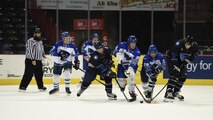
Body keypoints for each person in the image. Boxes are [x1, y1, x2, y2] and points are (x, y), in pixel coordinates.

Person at [164, 35, 199, 102]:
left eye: (188, 45)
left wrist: (188, 60)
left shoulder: (195, 47)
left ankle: (175, 92)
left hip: (182, 61)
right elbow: (172, 54)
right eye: (186, 44)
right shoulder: (179, 44)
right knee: (175, 74)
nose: (187, 46)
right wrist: (176, 65)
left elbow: (194, 55)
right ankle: (169, 92)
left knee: (183, 76)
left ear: (192, 44)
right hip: (171, 58)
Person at [113, 35, 141, 101]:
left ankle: (132, 92)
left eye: (134, 43)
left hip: (131, 65)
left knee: (131, 76)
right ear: (129, 43)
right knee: (121, 83)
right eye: (132, 43)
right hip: (121, 65)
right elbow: (115, 52)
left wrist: (130, 69)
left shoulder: (137, 51)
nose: (133, 45)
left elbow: (135, 62)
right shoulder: (122, 45)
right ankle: (123, 85)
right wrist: (119, 58)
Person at [19, 27, 47, 92]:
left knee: (39, 74)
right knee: (28, 74)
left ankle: (40, 87)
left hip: (39, 60)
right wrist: (33, 59)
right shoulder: (30, 41)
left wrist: (43, 54)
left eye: (39, 33)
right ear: (34, 34)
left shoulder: (40, 41)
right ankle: (22, 87)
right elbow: (30, 50)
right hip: (30, 60)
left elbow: (41, 49)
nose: (38, 35)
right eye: (37, 33)